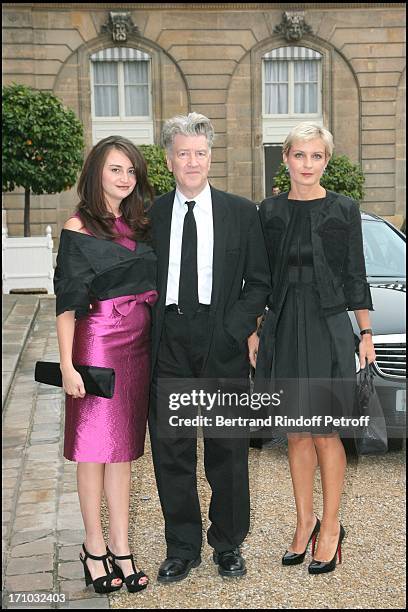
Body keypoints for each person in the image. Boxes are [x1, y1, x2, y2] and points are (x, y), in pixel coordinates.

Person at [148, 113, 271, 583]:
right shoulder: (151, 215)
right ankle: (181, 546)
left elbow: (258, 282)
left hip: (222, 342)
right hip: (169, 342)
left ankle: (228, 544)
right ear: (169, 159)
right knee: (172, 449)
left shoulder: (241, 213)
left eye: (200, 152)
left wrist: (231, 330)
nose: (192, 161)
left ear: (210, 157)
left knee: (227, 449)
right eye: (183, 153)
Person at [251, 122, 376, 575]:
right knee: (296, 431)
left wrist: (365, 333)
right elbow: (259, 277)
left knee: (324, 430)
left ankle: (332, 526)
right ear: (284, 158)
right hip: (283, 327)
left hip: (326, 327)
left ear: (326, 161)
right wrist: (255, 328)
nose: (307, 164)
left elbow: (354, 273)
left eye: (316, 156)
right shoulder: (268, 212)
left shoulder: (344, 209)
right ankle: (305, 521)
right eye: (299, 155)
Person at [54, 136, 158, 593]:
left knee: (123, 452)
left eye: (131, 171)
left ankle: (121, 545)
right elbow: (66, 305)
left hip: (137, 345)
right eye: (116, 169)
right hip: (95, 344)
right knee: (93, 450)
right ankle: (94, 548)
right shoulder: (78, 227)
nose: (125, 178)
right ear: (96, 172)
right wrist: (67, 366)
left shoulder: (138, 224)